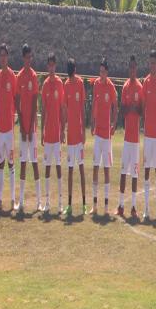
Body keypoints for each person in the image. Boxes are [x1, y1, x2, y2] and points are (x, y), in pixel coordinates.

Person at [90, 58, 118, 216]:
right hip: (98, 135)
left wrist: (113, 124)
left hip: (107, 135)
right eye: (100, 71)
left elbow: (115, 107)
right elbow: (95, 104)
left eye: (103, 71)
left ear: (107, 72)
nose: (101, 74)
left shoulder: (111, 87)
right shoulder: (96, 85)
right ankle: (95, 205)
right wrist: (92, 123)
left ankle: (106, 206)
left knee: (106, 169)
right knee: (95, 167)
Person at [15, 44, 41, 215]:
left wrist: (30, 128)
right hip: (22, 129)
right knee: (23, 162)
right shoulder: (19, 77)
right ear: (23, 57)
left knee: (34, 163)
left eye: (30, 56)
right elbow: (17, 102)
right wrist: (22, 127)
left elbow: (33, 104)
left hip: (31, 129)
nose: (28, 59)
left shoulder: (33, 76)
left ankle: (39, 201)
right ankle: (21, 201)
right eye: (26, 56)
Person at [141, 51, 156, 220]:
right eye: (150, 63)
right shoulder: (145, 82)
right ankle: (147, 208)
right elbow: (143, 106)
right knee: (146, 170)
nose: (152, 65)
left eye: (154, 63)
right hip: (147, 135)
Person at [40, 53, 64, 213]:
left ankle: (60, 203)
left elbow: (62, 108)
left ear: (55, 66)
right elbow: (43, 109)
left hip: (57, 133)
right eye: (49, 65)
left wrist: (63, 130)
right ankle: (47, 202)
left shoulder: (60, 84)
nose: (51, 68)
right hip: (48, 134)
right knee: (47, 168)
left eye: (53, 65)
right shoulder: (45, 85)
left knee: (58, 168)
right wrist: (42, 130)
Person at [119, 56, 143, 218]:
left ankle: (133, 207)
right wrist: (129, 108)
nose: (133, 70)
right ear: (129, 69)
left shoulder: (140, 88)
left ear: (137, 69)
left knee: (134, 174)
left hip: (135, 140)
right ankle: (120, 205)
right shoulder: (125, 87)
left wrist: (137, 108)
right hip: (126, 139)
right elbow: (122, 111)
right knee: (122, 173)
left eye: (135, 68)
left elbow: (142, 111)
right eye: (131, 68)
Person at [0, 44, 17, 211]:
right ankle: (0, 199)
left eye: (4, 55)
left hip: (9, 130)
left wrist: (14, 119)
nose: (2, 58)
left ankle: (13, 200)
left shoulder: (12, 76)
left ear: (7, 57)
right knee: (0, 163)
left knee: (10, 163)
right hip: (0, 129)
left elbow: (15, 100)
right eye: (0, 55)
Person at [64, 58, 87, 217]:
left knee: (81, 169)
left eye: (72, 67)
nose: (71, 70)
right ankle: (70, 205)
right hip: (70, 135)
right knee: (70, 170)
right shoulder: (65, 85)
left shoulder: (79, 83)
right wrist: (64, 128)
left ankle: (85, 204)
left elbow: (83, 109)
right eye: (69, 68)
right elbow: (65, 109)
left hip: (79, 135)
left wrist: (84, 130)